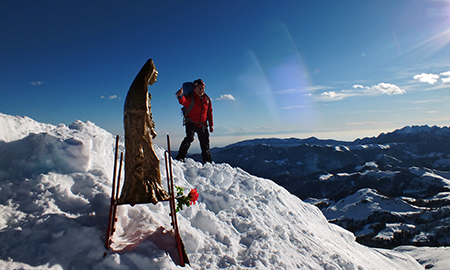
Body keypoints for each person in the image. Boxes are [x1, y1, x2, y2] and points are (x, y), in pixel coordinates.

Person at [117, 59, 169, 205]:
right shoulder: (141, 91)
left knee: (148, 160)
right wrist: (150, 128)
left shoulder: (141, 90)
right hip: (140, 133)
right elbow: (143, 112)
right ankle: (146, 188)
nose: (157, 77)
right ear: (150, 74)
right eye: (155, 74)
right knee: (152, 161)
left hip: (140, 132)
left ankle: (145, 188)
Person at [175, 79, 214, 163]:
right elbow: (184, 101)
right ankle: (180, 157)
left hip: (203, 125)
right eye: (199, 88)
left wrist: (211, 125)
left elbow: (209, 112)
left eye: (202, 88)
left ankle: (208, 163)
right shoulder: (191, 98)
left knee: (205, 145)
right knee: (189, 138)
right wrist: (180, 96)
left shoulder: (207, 99)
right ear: (194, 89)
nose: (201, 90)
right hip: (191, 122)